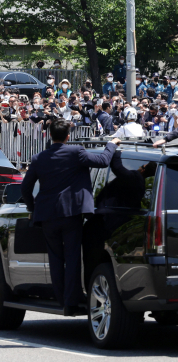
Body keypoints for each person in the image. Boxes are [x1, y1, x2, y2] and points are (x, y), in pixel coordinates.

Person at [20, 119, 121, 315]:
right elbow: (102, 161)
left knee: (55, 259)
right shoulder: (76, 152)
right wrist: (111, 144)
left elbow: (25, 188)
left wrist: (33, 208)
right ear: (68, 137)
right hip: (71, 214)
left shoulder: (38, 158)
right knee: (73, 257)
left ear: (50, 135)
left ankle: (61, 300)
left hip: (48, 216)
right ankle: (71, 301)